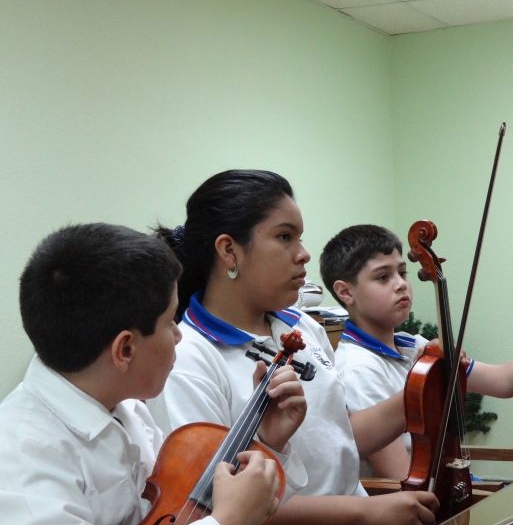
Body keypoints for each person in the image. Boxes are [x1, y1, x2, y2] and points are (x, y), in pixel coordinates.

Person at [150, 169, 439, 525]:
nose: (303, 254)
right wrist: (363, 512)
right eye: (284, 237)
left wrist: (422, 386)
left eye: (299, 238)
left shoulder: (300, 325)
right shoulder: (189, 359)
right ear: (228, 250)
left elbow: (338, 434)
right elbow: (215, 507)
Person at [0, 223, 304, 525]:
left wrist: (267, 442)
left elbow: (183, 510)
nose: (179, 336)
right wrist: (226, 521)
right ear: (125, 350)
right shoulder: (22, 459)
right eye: (170, 321)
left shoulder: (126, 406)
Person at [319, 224, 513, 478]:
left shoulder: (413, 345)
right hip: (424, 500)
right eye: (383, 277)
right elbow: (401, 476)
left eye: (402, 273)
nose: (401, 284)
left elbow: (502, 380)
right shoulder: (357, 368)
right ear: (345, 292)